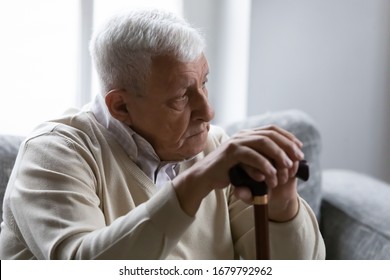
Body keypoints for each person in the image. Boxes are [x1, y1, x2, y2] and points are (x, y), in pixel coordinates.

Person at [0, 9, 325, 260]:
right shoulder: (54, 153)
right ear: (121, 106)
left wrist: (281, 207)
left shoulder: (214, 147)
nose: (208, 112)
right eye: (181, 97)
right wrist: (197, 181)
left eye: (204, 84)